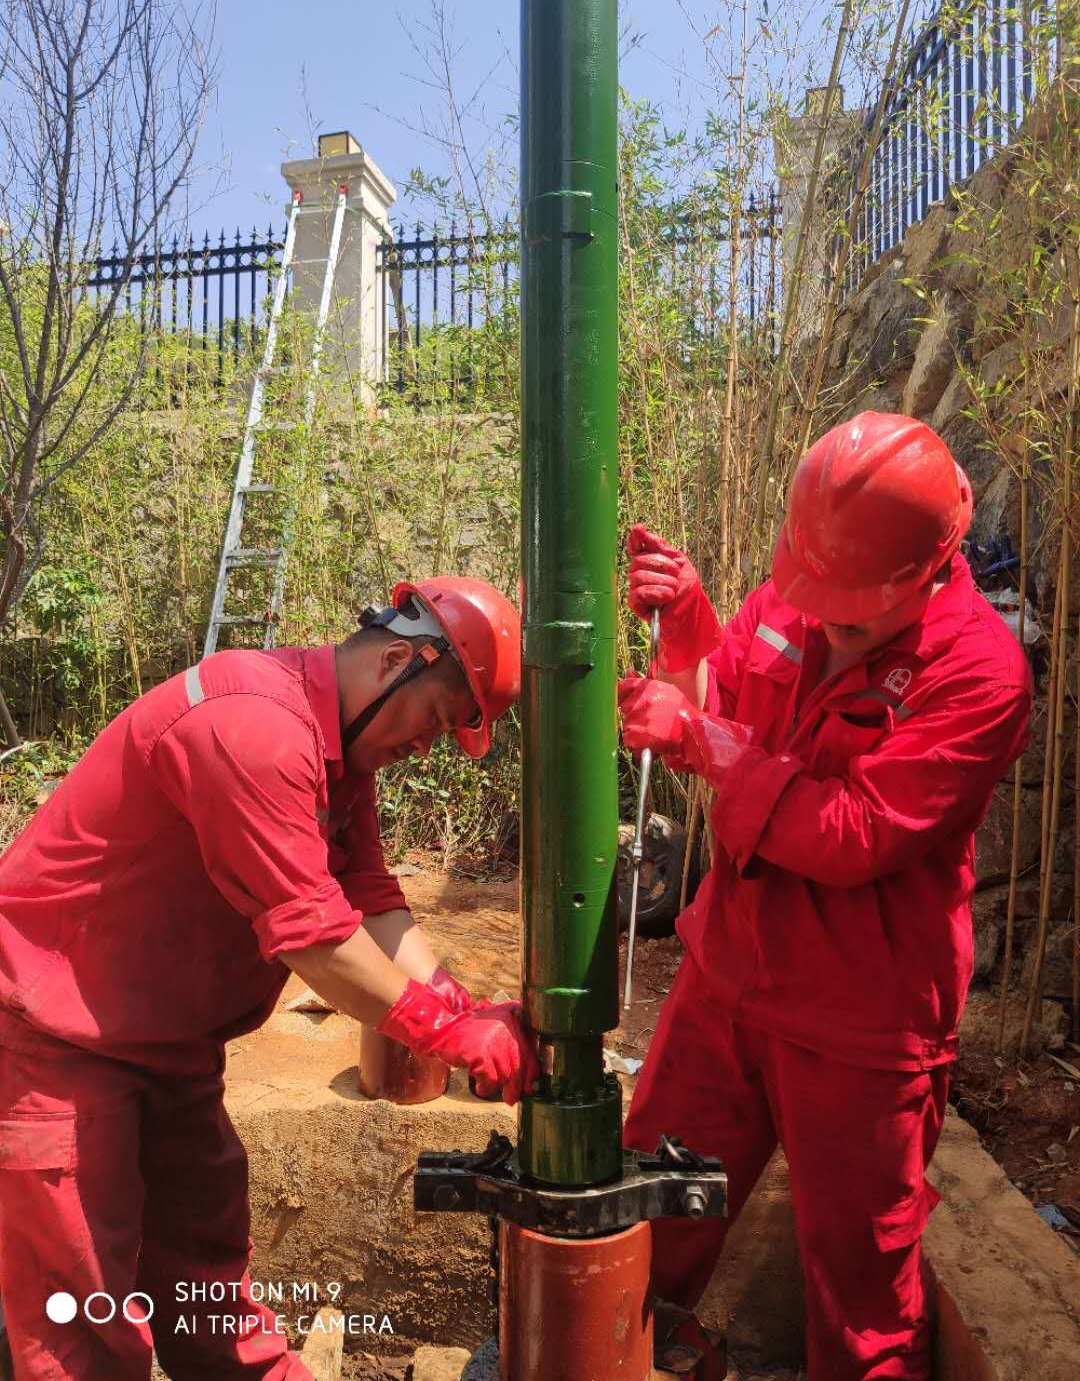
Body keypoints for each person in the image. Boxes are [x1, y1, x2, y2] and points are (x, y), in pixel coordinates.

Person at [0, 575, 538, 1380]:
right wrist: (449, 1033)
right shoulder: (250, 727)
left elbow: (370, 898)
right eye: (436, 719)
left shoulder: (336, 756)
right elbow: (315, 937)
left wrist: (461, 1005)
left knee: (204, 1277)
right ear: (399, 658)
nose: (426, 746)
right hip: (56, 1041)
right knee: (82, 1324)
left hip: (169, 1046)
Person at [618, 413, 1032, 1381]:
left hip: (861, 1023)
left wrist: (706, 745)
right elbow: (716, 691)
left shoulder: (981, 676)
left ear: (926, 574)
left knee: (860, 1304)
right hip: (729, 978)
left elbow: (857, 829)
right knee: (645, 1219)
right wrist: (688, 624)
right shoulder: (804, 595)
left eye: (851, 615)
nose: (824, 621)